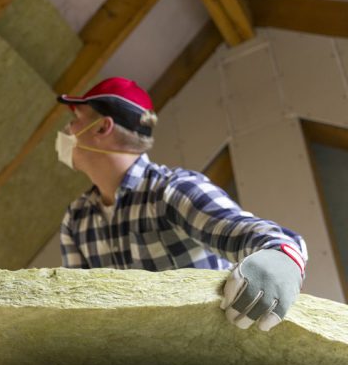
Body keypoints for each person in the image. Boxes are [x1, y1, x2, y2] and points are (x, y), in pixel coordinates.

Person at [56, 77, 307, 332]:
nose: (68, 130)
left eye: (75, 119)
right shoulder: (76, 220)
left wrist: (281, 256)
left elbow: (247, 231)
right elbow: (79, 309)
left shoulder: (170, 191)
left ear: (101, 128)